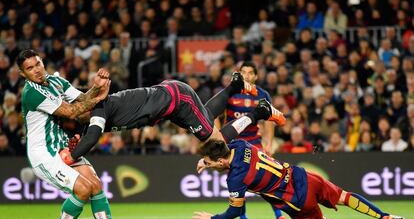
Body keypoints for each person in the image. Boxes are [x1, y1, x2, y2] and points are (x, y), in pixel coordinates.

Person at [193, 138, 410, 219]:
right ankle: (384, 216)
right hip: (303, 176)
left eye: (212, 164)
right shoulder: (240, 145)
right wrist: (207, 159)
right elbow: (224, 142)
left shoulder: (235, 178)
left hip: (296, 199)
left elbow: (235, 210)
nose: (210, 166)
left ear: (221, 161)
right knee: (344, 196)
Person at [18, 49, 134, 219]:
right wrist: (99, 98)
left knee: (96, 185)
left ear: (42, 62)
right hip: (43, 154)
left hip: (62, 145)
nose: (35, 70)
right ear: (22, 73)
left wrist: (96, 88)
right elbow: (72, 111)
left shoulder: (56, 82)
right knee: (83, 189)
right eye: (29, 68)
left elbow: (81, 99)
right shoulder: (31, 93)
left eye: (37, 64)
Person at [61, 71, 287, 165]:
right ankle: (236, 85)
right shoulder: (95, 114)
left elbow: (91, 139)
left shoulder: (98, 109)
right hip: (171, 105)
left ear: (84, 107)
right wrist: (76, 138)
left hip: (177, 100)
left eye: (74, 112)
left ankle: (260, 111)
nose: (74, 116)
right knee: (207, 119)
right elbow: (87, 133)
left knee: (215, 142)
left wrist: (72, 156)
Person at [220, 61, 292, 219]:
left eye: (250, 72)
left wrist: (268, 142)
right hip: (233, 144)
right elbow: (218, 115)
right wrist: (218, 136)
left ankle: (280, 217)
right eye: (243, 72)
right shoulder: (231, 92)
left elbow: (270, 120)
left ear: (256, 76)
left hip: (253, 142)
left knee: (268, 180)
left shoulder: (262, 94)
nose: (246, 75)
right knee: (239, 181)